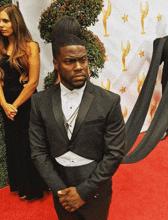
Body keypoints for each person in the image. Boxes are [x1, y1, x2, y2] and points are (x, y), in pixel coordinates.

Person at [29, 18, 125, 219]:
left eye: (83, 60)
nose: (79, 66)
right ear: (56, 64)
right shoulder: (40, 102)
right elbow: (38, 151)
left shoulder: (109, 101)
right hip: (59, 186)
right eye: (70, 61)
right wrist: (60, 191)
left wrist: (83, 192)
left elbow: (114, 153)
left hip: (96, 186)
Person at [0, 4, 47, 200]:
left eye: (5, 20)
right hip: (6, 103)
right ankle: (21, 185)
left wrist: (15, 106)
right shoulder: (0, 47)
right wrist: (4, 105)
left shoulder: (31, 46)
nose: (1, 25)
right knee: (14, 145)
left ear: (16, 21)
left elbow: (33, 82)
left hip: (26, 103)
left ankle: (34, 188)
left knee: (29, 145)